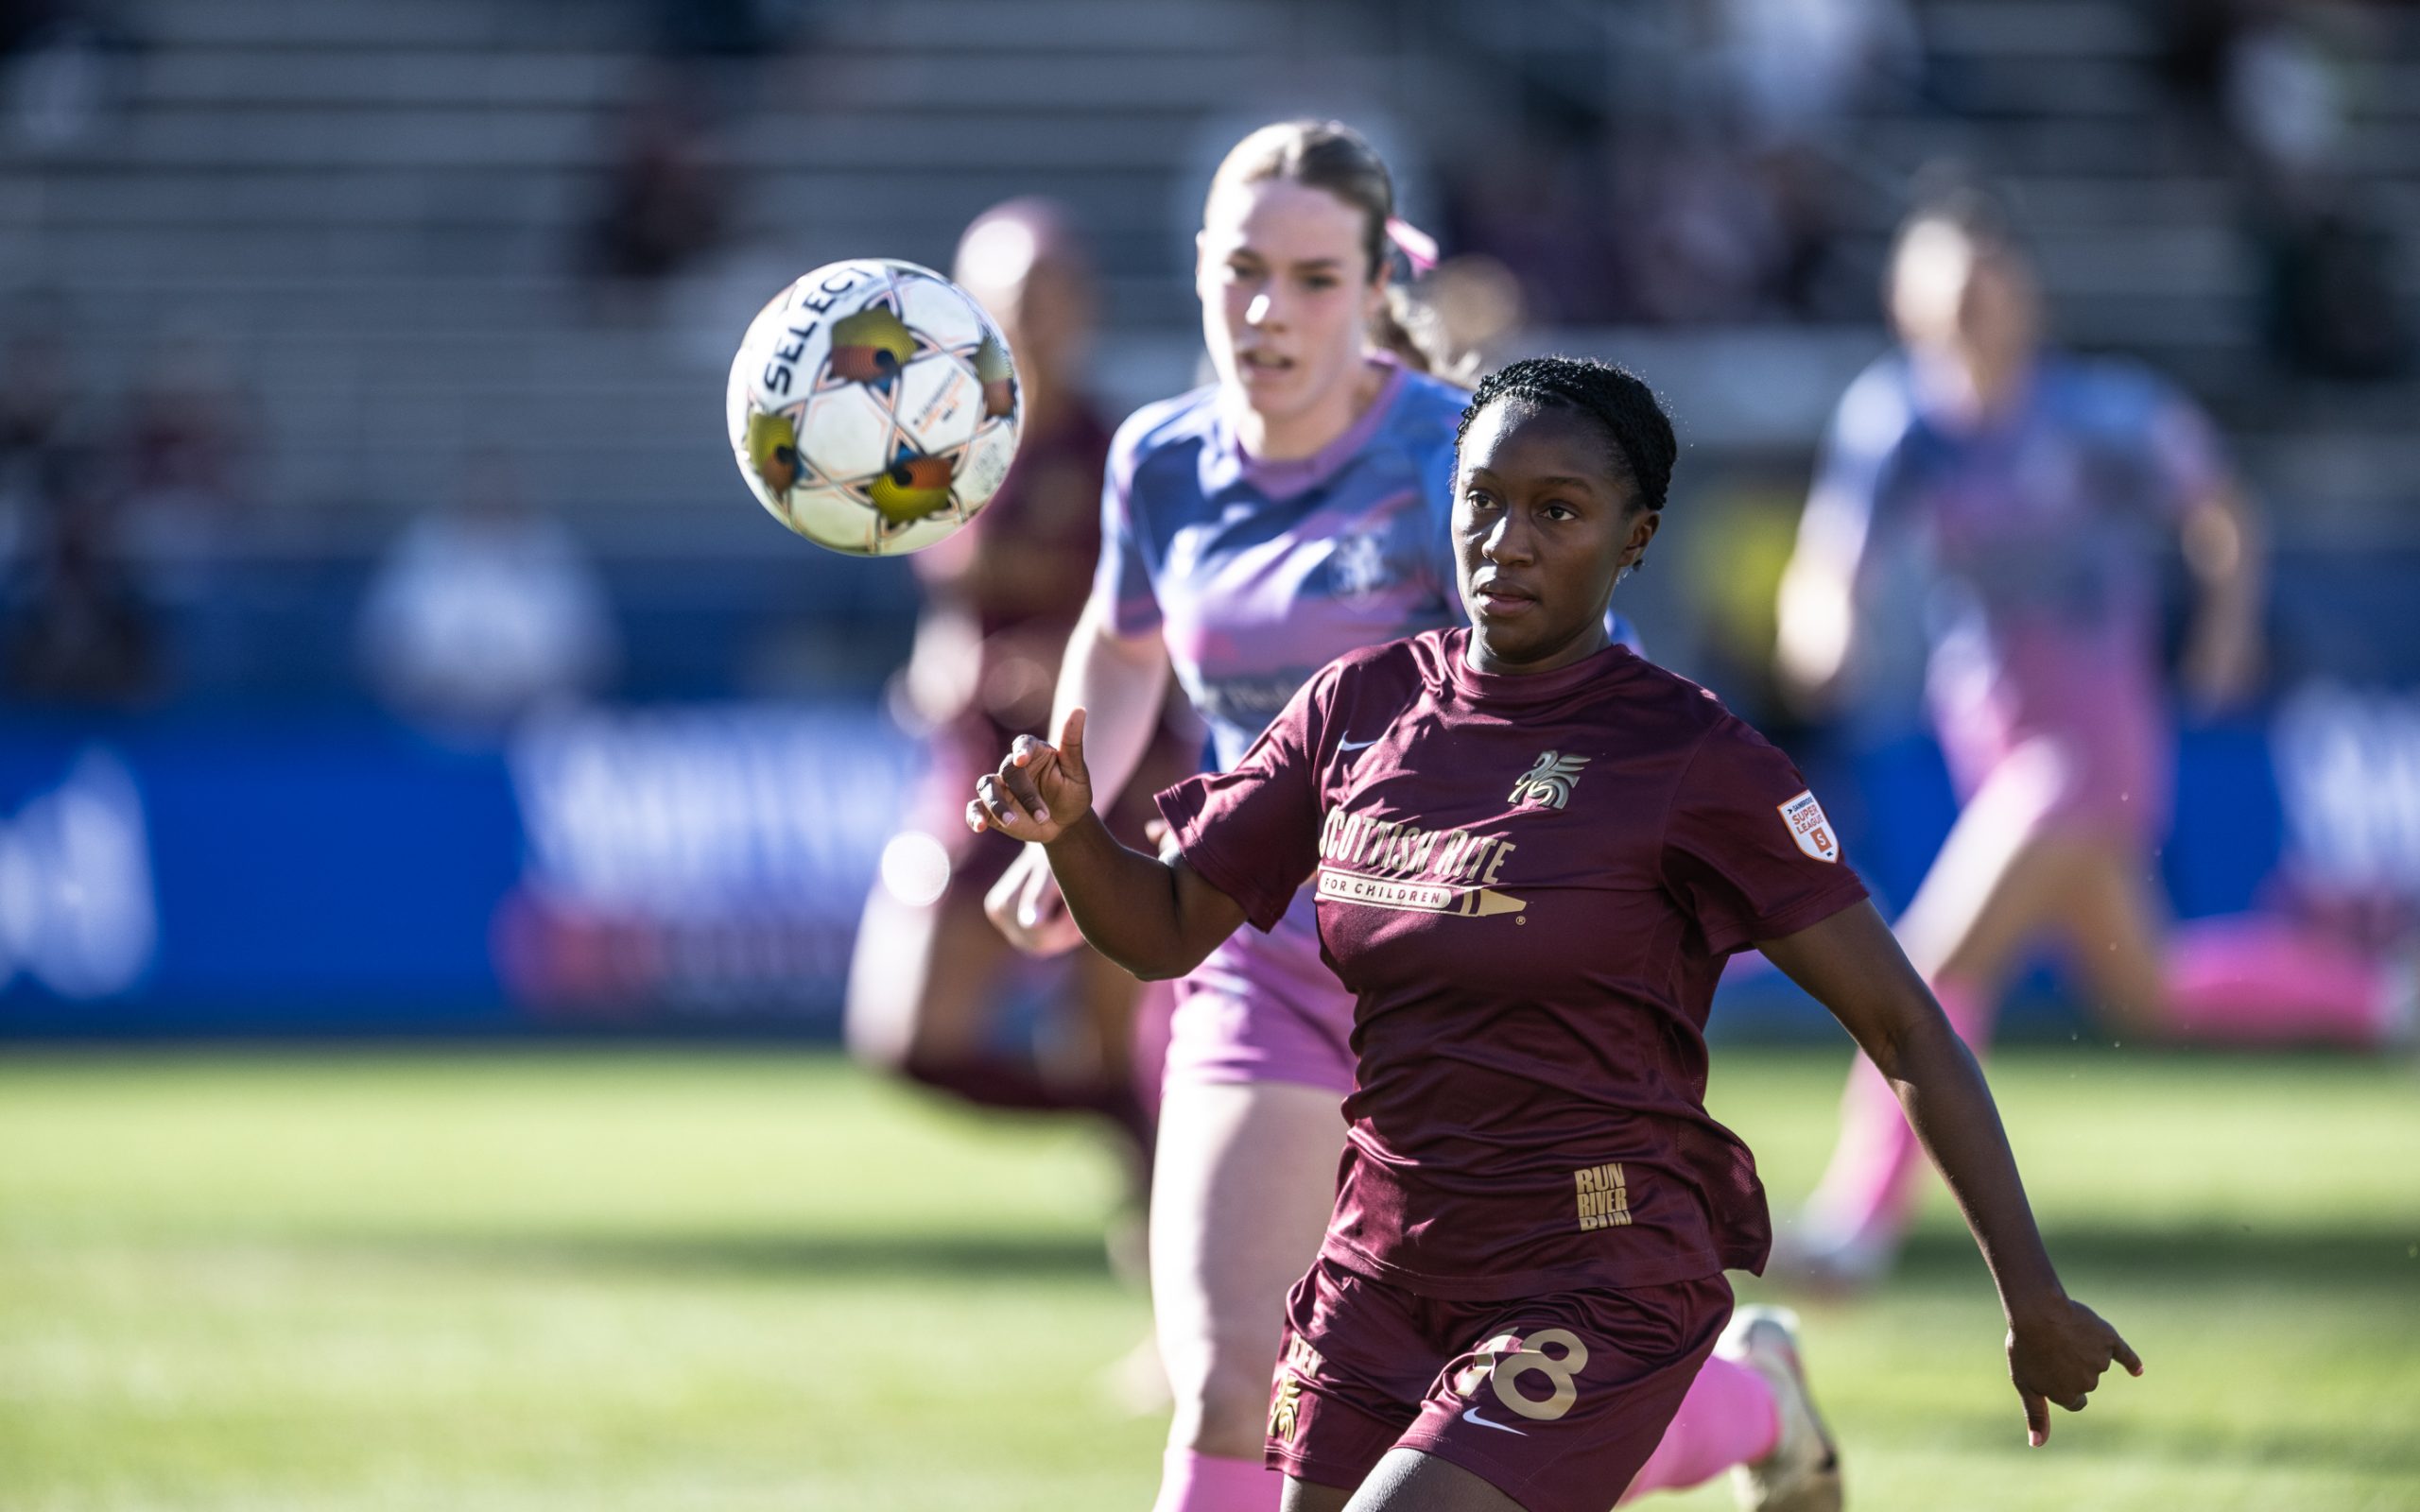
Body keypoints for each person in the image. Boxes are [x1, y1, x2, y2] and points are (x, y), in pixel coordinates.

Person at [971, 355, 2140, 1512]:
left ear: (1634, 540)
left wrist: (2028, 1295)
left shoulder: (1689, 759)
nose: (1507, 541)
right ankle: (1762, 1412)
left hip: (1593, 1267)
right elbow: (1170, 927)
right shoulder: (1357, 707)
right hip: (1381, 1261)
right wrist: (1072, 834)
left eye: (1558, 511)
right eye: (1482, 501)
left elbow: (1900, 1023)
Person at [988, 119, 1841, 1512]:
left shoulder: (1461, 453)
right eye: (1242, 271)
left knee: (1483, 1438)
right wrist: (1070, 828)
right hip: (1262, 964)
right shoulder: (1158, 457)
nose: (1269, 311)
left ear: (1379, 283)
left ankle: (1753, 1410)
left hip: (1468, 976)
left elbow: (1571, 690)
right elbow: (1125, 639)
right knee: (1226, 1384)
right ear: (1197, 271)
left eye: (1315, 278)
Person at [1772, 184, 2412, 1288]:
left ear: (2024, 299)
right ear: (1906, 302)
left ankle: (1853, 1228)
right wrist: (1817, 618)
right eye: (1948, 291)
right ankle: (2381, 999)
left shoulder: (2104, 414)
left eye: (1986, 287)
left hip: (2090, 749)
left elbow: (2220, 513)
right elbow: (1833, 555)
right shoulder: (1900, 421)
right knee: (2146, 991)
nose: (1969, 311)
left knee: (1921, 970)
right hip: (1991, 741)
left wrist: (2222, 629)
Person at [845, 198, 1178, 1169]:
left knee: (1103, 1027)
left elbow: (1158, 622)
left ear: (1085, 304)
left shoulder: (1121, 453)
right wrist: (939, 662)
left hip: (1105, 776)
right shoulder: (943, 454)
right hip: (972, 770)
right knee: (903, 1042)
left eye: (1053, 288)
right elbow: (954, 605)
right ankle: (1132, 1123)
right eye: (1011, 293)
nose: (1034, 312)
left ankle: (1181, 1242)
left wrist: (1058, 663)